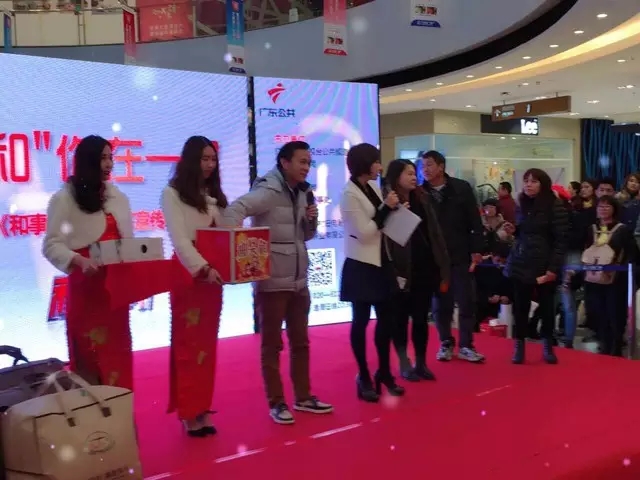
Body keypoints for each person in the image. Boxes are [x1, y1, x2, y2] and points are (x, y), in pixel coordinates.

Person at [225, 140, 332, 425]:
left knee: (301, 343)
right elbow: (236, 209)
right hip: (272, 281)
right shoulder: (269, 190)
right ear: (284, 162)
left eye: (309, 162)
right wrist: (239, 244)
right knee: (272, 346)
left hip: (299, 279)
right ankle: (277, 402)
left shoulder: (304, 191)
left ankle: (304, 397)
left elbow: (305, 236)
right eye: (302, 162)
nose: (306, 167)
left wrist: (310, 220)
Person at [42, 135, 135, 389]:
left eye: (110, 158)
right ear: (88, 161)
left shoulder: (118, 198)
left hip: (115, 296)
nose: (109, 164)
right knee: (89, 367)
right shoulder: (65, 199)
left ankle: (121, 414)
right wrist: (79, 261)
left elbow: (129, 243)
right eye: (103, 158)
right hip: (86, 294)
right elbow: (51, 244)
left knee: (118, 364)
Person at [161, 135, 228, 437]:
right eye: (204, 159)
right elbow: (179, 240)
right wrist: (202, 268)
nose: (210, 165)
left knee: (207, 346)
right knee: (188, 345)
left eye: (213, 159)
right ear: (191, 160)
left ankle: (203, 405)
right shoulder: (172, 194)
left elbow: (224, 235)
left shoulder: (214, 195)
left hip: (214, 279)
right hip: (189, 275)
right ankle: (189, 410)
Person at [340, 144, 405, 402]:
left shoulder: (374, 188)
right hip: (361, 264)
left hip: (381, 262)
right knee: (361, 321)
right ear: (365, 164)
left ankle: (384, 371)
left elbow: (380, 222)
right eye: (376, 162)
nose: (380, 166)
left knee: (387, 320)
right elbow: (365, 232)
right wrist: (387, 208)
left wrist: (395, 210)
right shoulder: (349, 194)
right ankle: (364, 375)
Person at [383, 159, 450, 381]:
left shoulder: (423, 198)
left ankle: (421, 362)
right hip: (401, 269)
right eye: (409, 173)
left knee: (421, 318)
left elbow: (435, 233)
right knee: (400, 318)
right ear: (396, 176)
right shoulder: (388, 201)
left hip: (424, 266)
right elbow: (387, 237)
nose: (414, 177)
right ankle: (404, 363)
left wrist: (442, 264)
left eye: (414, 173)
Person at [421, 150, 486, 363]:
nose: (425, 170)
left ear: (441, 167)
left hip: (460, 253)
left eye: (429, 165)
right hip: (435, 258)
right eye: (423, 166)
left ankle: (467, 345)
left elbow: (474, 221)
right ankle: (445, 342)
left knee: (466, 301)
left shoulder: (461, 188)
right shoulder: (421, 193)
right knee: (441, 304)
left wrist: (477, 249)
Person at [503, 168, 569, 364]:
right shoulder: (521, 203)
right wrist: (514, 230)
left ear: (543, 184)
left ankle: (548, 345)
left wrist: (553, 268)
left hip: (544, 262)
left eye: (533, 181)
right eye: (526, 181)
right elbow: (525, 231)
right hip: (521, 260)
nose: (528, 185)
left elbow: (561, 240)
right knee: (520, 306)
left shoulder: (554, 205)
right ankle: (519, 345)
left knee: (547, 307)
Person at [583, 195, 635, 357]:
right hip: (594, 278)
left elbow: (632, 253)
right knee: (598, 311)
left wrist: (620, 268)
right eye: (600, 206)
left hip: (616, 279)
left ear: (614, 209)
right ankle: (604, 343)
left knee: (615, 312)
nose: (603, 209)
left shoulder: (622, 229)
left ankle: (616, 345)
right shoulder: (591, 229)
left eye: (607, 206)